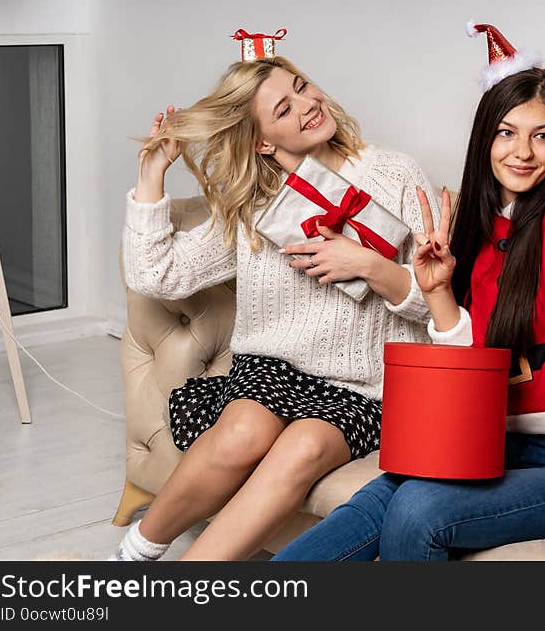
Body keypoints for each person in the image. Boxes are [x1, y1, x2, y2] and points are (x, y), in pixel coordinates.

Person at [272, 23, 545, 561]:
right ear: (485, 138)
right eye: (507, 132)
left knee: (418, 511)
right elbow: (473, 375)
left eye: (542, 135)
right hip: (490, 439)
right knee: (370, 504)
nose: (523, 152)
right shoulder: (478, 228)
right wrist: (436, 294)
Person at [112, 48, 439, 561]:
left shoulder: (394, 173)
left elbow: (438, 305)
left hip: (369, 386)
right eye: (283, 109)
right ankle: (132, 556)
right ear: (262, 141)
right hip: (275, 369)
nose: (307, 104)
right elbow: (156, 275)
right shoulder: (256, 204)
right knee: (242, 431)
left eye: (301, 87)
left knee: (303, 447)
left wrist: (370, 266)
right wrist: (152, 173)